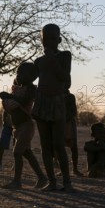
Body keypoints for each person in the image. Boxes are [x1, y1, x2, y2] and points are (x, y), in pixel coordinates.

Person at [32, 24, 75, 192]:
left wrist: (51, 59)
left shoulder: (65, 56)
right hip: (41, 102)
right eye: (45, 38)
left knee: (58, 144)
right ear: (41, 40)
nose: (48, 42)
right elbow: (31, 78)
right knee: (45, 146)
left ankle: (67, 182)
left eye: (52, 38)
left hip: (57, 102)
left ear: (59, 39)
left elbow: (66, 79)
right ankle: (51, 182)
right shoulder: (38, 61)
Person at [0, 63, 47, 189]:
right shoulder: (18, 88)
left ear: (31, 77)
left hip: (26, 126)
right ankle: (42, 178)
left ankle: (17, 181)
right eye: (18, 73)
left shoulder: (31, 89)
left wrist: (8, 96)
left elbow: (25, 101)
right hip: (18, 127)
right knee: (26, 153)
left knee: (17, 153)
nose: (18, 76)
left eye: (21, 74)